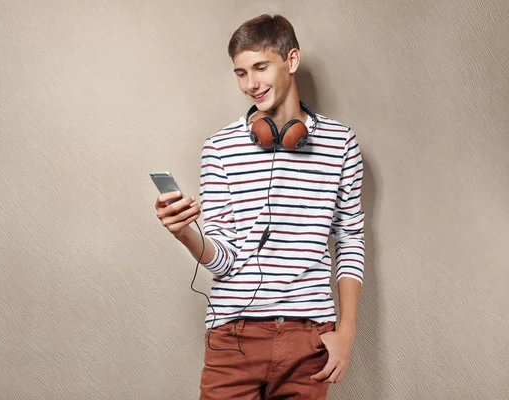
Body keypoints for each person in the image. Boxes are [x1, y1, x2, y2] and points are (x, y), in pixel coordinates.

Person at [154, 14, 365, 400]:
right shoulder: (219, 148)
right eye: (240, 73)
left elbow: (350, 241)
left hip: (309, 338)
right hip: (232, 336)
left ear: (292, 60)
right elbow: (224, 259)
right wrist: (185, 234)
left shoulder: (341, 144)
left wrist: (346, 332)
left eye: (260, 67)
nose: (250, 84)